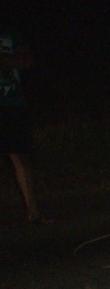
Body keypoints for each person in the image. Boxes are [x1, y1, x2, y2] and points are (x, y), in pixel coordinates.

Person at [0, 29, 48, 223]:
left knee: (20, 156)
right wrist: (11, 60)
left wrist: (7, 60)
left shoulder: (11, 35)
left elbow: (27, 61)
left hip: (13, 104)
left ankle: (34, 214)